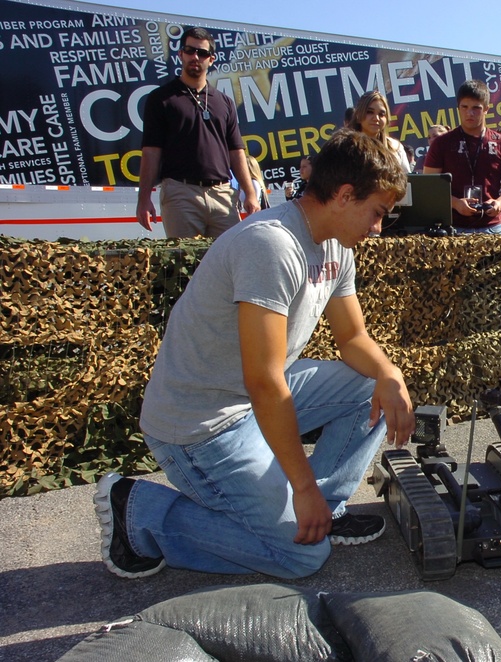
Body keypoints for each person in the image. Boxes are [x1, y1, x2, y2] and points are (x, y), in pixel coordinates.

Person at [94, 130, 415, 580]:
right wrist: (300, 485)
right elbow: (264, 382)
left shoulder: (337, 247)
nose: (378, 227)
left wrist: (391, 374)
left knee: (372, 385)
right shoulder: (272, 244)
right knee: (302, 557)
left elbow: (354, 338)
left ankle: (323, 510)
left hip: (250, 401)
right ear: (344, 195)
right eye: (377, 212)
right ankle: (139, 513)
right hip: (201, 425)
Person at [136, 27, 259, 238]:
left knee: (229, 263)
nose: (195, 57)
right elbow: (151, 152)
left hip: (222, 194)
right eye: (190, 50)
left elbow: (236, 151)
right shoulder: (162, 98)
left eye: (201, 53)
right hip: (181, 193)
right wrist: (144, 198)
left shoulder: (224, 102)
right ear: (180, 54)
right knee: (186, 265)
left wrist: (250, 193)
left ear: (211, 59)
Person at [423, 80, 501, 234]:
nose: (470, 113)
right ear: (458, 108)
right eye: (465, 107)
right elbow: (428, 187)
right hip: (452, 228)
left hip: (492, 227)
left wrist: (499, 202)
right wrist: (455, 203)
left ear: (486, 109)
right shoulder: (442, 143)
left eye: (476, 108)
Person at [351, 90, 411, 173]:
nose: (376, 118)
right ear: (358, 115)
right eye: (370, 112)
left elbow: (407, 181)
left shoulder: (396, 148)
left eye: (381, 114)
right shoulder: (347, 148)